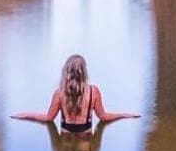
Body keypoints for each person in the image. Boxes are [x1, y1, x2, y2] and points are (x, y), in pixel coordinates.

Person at [11, 54, 139, 131]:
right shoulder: (93, 91)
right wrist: (125, 115)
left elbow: (48, 118)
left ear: (66, 71)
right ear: (84, 72)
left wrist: (25, 114)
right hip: (86, 141)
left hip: (65, 141)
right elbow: (103, 117)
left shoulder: (59, 93)